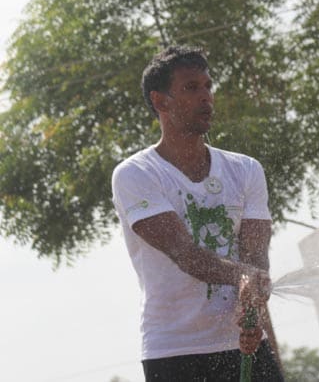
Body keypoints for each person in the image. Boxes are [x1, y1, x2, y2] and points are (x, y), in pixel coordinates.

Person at [111, 45, 284, 381]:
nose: (206, 97)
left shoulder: (246, 170)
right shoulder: (136, 174)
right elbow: (186, 254)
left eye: (208, 86)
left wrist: (252, 304)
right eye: (191, 88)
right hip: (175, 353)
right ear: (160, 101)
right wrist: (243, 277)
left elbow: (256, 257)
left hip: (246, 345)